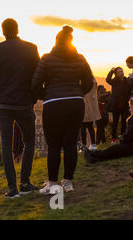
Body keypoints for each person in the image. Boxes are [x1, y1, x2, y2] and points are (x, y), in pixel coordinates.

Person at [32, 26, 93, 194]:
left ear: (56, 41)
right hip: (75, 103)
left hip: (53, 104)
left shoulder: (46, 59)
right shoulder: (80, 58)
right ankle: (67, 182)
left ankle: (52, 184)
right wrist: (78, 92)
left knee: (53, 145)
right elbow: (89, 82)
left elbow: (36, 83)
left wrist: (45, 95)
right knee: (70, 144)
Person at [0, 18, 40, 198]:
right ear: (17, 29)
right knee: (29, 142)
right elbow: (38, 76)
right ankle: (25, 182)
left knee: (7, 146)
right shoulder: (31, 48)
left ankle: (11, 188)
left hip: (4, 103)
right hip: (25, 102)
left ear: (3, 31)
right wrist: (33, 96)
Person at [84, 98, 133, 163]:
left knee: (114, 149)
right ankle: (95, 158)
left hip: (130, 146)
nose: (129, 110)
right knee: (115, 152)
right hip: (130, 145)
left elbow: (130, 135)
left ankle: (94, 154)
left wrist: (122, 138)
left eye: (130, 107)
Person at [106, 67, 133, 142]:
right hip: (116, 105)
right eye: (119, 72)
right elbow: (108, 79)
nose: (121, 73)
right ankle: (113, 139)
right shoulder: (114, 81)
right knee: (115, 122)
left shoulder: (128, 81)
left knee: (124, 122)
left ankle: (123, 137)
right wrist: (111, 71)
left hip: (125, 105)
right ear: (116, 74)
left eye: (122, 71)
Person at [80, 78, 101, 151]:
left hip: (84, 107)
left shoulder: (82, 81)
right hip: (90, 108)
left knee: (83, 128)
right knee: (90, 127)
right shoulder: (93, 81)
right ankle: (93, 144)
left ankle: (84, 146)